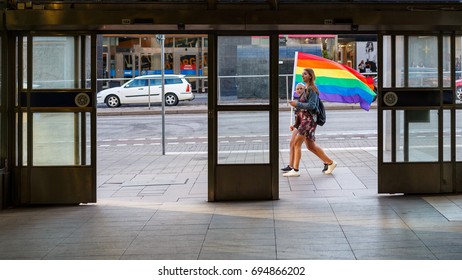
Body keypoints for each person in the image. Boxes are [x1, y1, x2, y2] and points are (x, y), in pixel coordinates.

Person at [283, 68, 337, 177]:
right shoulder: (306, 88)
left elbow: (312, 106)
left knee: (297, 143)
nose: (303, 75)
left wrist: (297, 104)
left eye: (305, 74)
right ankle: (331, 163)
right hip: (306, 121)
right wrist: (295, 124)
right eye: (302, 74)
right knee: (310, 146)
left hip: (309, 121)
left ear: (310, 76)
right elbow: (301, 111)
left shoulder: (312, 89)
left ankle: (296, 170)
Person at [281, 82, 307, 174]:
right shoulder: (298, 100)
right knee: (292, 143)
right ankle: (291, 166)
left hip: (305, 125)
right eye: (297, 89)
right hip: (299, 125)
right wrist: (294, 125)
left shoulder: (304, 100)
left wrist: (296, 105)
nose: (299, 90)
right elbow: (298, 116)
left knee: (311, 147)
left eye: (301, 88)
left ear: (305, 89)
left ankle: (328, 162)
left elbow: (304, 114)